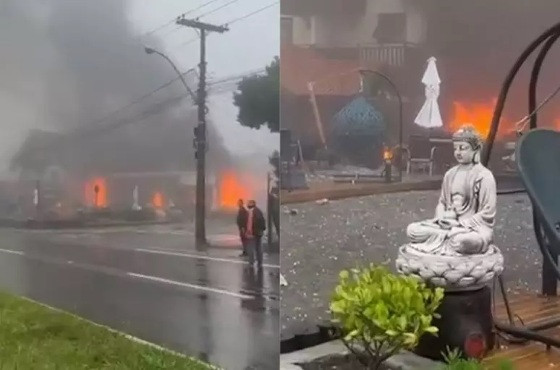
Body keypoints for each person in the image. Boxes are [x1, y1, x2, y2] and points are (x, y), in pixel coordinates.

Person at [406, 124, 497, 255]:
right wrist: (441, 218)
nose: (458, 152)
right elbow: (442, 202)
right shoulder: (450, 174)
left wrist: (461, 225)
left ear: (475, 150)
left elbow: (487, 213)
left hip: (472, 228)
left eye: (463, 148)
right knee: (413, 230)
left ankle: (449, 242)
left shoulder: (484, 176)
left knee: (463, 241)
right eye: (455, 148)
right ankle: (446, 241)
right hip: (447, 224)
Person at [245, 199, 266, 268]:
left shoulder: (251, 212)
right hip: (258, 233)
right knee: (258, 248)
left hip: (253, 233)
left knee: (251, 248)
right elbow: (262, 221)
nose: (247, 204)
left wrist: (248, 231)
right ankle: (260, 262)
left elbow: (250, 223)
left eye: (249, 203)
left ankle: (251, 262)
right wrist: (262, 229)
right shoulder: (258, 211)